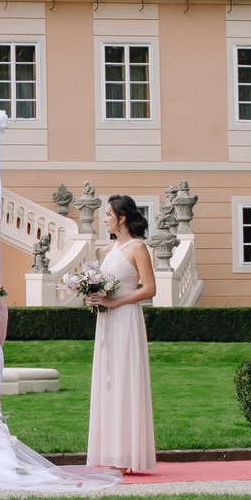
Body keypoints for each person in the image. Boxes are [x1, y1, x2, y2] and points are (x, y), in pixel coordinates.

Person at [85, 194, 157, 473]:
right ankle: (111, 452)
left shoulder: (138, 247)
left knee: (126, 380)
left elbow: (149, 289)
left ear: (122, 218)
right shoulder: (106, 251)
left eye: (107, 215)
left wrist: (114, 302)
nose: (104, 219)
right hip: (107, 322)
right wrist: (93, 297)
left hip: (126, 319)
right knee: (108, 382)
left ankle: (128, 455)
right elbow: (105, 286)